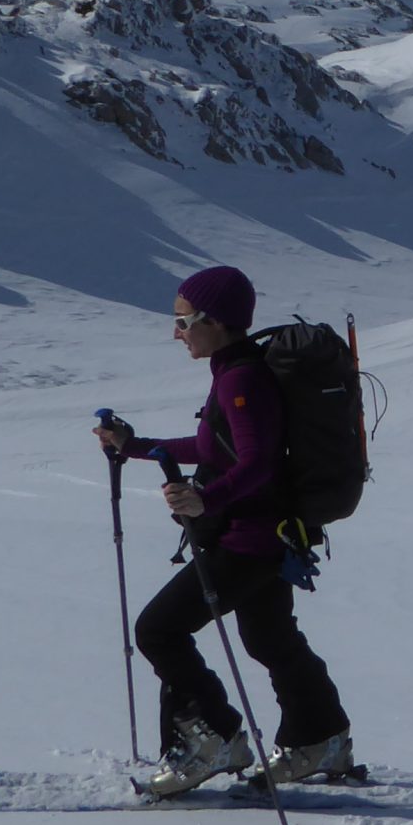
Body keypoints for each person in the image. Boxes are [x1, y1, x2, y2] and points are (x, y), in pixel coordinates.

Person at [93, 266, 355, 796]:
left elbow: (256, 463)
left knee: (159, 631)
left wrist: (205, 497)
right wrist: (138, 446)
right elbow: (216, 447)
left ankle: (216, 738)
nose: (177, 332)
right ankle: (321, 736)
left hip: (248, 540)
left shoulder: (240, 378)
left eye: (183, 320)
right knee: (270, 638)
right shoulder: (238, 371)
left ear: (216, 321)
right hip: (272, 536)